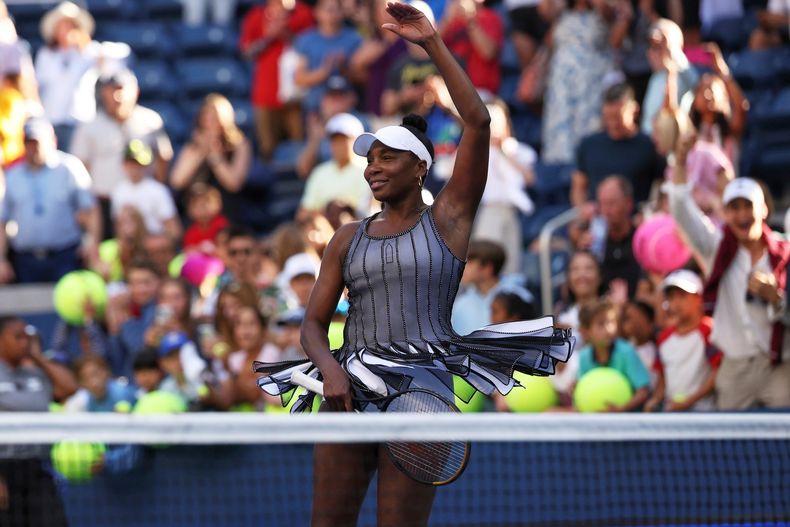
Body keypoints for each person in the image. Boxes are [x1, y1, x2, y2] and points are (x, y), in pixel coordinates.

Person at [254, 4, 573, 524]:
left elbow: (478, 120)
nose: (372, 168)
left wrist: (431, 43)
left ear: (421, 167)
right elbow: (312, 325)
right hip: (347, 390)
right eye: (369, 159)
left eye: (387, 158)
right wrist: (332, 373)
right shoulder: (345, 237)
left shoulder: (448, 218)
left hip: (421, 394)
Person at [667, 138, 790, 409]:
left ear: (764, 210)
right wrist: (680, 160)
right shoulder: (715, 249)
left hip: (781, 367)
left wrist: (777, 299)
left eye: (748, 206)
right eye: (734, 208)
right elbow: (681, 208)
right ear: (725, 213)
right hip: (735, 369)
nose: (742, 214)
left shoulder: (786, 255)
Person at [70, 69, 173, 237]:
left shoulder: (150, 121)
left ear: (135, 91)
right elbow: (81, 168)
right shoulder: (89, 126)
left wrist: (155, 191)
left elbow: (163, 157)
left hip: (144, 202)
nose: (116, 96)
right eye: (110, 90)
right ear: (102, 93)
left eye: (121, 89)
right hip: (104, 203)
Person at [0, 118, 100, 284]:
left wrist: (92, 242)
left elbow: (90, 209)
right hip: (26, 259)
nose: (34, 148)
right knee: (29, 307)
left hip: (64, 255)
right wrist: (2, 259)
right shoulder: (12, 175)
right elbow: (2, 221)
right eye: (29, 143)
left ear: (52, 141)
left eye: (38, 142)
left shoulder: (69, 167)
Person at [0, 316, 75, 527]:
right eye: (17, 337)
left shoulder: (36, 375)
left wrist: (38, 356)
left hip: (37, 467)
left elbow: (69, 388)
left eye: (27, 337)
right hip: (4, 470)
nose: (24, 342)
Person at [541, 0, 628, 164]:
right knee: (561, 138)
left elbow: (614, 37)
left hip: (590, 85)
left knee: (589, 134)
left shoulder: (602, 10)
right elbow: (545, 12)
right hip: (562, 86)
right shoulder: (563, 11)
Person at [240, 0, 314, 160]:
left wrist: (285, 32)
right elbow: (247, 53)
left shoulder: (302, 12)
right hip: (265, 95)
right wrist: (269, 36)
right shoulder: (256, 15)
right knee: (267, 148)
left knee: (299, 146)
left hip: (297, 94)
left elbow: (310, 46)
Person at [572, 83, 665, 209]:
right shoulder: (589, 145)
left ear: (634, 111)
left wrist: (650, 212)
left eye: (617, 117)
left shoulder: (649, 145)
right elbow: (578, 187)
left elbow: (663, 185)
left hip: (634, 223)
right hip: (598, 221)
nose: (613, 124)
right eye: (608, 117)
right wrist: (583, 209)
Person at [644, 270, 721, 412]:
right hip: (672, 413)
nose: (676, 303)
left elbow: (717, 372)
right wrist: (654, 400)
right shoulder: (663, 338)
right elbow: (663, 377)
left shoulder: (709, 331)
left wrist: (688, 402)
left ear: (698, 298)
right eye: (671, 298)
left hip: (704, 412)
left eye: (682, 296)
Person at [169, 94, 253, 223]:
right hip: (196, 213)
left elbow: (234, 183)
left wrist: (214, 156)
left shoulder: (240, 145)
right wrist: (201, 152)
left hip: (227, 211)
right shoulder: (193, 146)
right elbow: (177, 181)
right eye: (206, 117)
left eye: (215, 117)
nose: (209, 122)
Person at [576, 299, 650, 412]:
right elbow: (583, 391)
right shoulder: (584, 357)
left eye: (611, 322)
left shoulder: (626, 352)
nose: (609, 329)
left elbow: (643, 391)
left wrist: (622, 408)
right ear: (585, 332)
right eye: (601, 324)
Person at [298, 112, 372, 219]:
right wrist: (328, 213)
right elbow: (302, 214)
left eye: (343, 139)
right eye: (334, 140)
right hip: (322, 232)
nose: (338, 145)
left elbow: (370, 211)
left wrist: (344, 210)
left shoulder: (370, 169)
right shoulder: (319, 172)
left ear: (356, 140)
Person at [110, 140, 182, 241]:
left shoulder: (158, 190)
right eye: (131, 162)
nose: (134, 168)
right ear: (124, 164)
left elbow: (173, 229)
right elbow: (118, 226)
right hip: (130, 245)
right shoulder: (118, 190)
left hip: (153, 244)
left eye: (138, 164)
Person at [182, 183, 229, 253]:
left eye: (206, 202)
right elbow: (188, 251)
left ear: (218, 204)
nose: (202, 208)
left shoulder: (222, 224)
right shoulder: (190, 232)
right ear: (189, 210)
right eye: (196, 204)